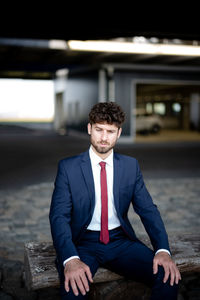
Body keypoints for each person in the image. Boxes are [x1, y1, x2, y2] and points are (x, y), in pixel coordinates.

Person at [49, 102, 181, 300]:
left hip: (120, 242)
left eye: (110, 131)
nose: (104, 137)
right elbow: (58, 216)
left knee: (168, 278)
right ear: (89, 128)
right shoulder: (68, 168)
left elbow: (148, 210)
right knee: (72, 293)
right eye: (99, 129)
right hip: (83, 243)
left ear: (118, 133)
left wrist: (162, 249)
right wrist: (70, 258)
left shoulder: (130, 166)